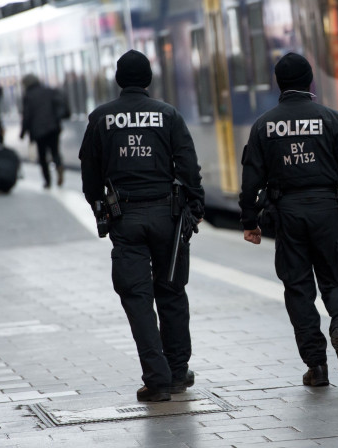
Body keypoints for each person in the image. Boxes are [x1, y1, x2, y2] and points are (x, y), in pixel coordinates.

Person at [239, 53, 338, 387]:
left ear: (278, 83)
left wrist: (250, 221)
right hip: (327, 211)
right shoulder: (331, 119)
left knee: (298, 289)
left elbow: (250, 180)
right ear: (310, 81)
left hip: (287, 214)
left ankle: (316, 367)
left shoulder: (264, 126)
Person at [79, 49, 205, 402]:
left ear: (119, 80)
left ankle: (157, 378)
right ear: (148, 80)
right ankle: (178, 372)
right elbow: (188, 165)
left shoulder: (101, 119)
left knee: (137, 298)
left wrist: (100, 207)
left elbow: (90, 176)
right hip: (168, 216)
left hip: (126, 219)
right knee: (172, 292)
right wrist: (195, 204)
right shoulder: (168, 115)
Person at [20, 74, 68, 189]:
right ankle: (59, 166)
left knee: (42, 157)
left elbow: (27, 116)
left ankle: (47, 181)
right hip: (53, 128)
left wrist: (23, 132)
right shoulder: (49, 91)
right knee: (55, 151)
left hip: (38, 131)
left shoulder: (28, 96)